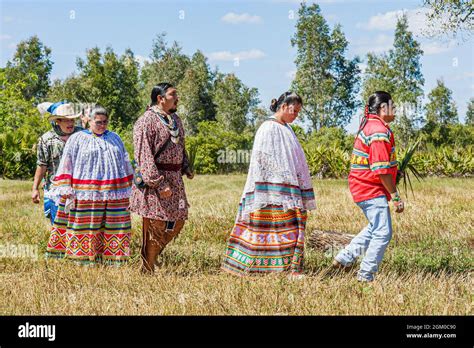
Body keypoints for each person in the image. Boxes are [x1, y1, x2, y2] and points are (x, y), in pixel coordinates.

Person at [221, 92, 316, 277]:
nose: (296, 115)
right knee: (271, 228)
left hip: (287, 189)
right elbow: (262, 160)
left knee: (289, 229)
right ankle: (260, 267)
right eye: (294, 110)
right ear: (283, 106)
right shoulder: (268, 128)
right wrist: (274, 185)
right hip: (272, 190)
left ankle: (288, 268)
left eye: (298, 112)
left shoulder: (287, 129)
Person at [47, 106, 134, 264]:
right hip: (85, 192)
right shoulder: (77, 138)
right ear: (89, 121)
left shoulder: (115, 138)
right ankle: (82, 259)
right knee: (85, 224)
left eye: (105, 122)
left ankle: (113, 259)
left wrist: (131, 185)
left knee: (113, 224)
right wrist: (65, 186)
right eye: (98, 122)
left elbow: (125, 161)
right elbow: (67, 162)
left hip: (114, 193)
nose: (101, 125)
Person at [333, 91, 404, 282]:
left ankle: (344, 258)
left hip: (362, 187)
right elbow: (381, 169)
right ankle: (366, 276)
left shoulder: (372, 126)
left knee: (376, 227)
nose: (396, 110)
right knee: (383, 233)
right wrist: (395, 196)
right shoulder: (378, 131)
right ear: (383, 108)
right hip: (370, 188)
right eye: (393, 106)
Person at [130, 83, 194, 273]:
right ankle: (147, 268)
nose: (177, 98)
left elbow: (180, 146)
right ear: (160, 98)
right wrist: (158, 183)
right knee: (156, 223)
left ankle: (150, 258)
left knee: (178, 220)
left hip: (175, 179)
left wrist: (186, 166)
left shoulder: (175, 120)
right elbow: (144, 155)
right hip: (156, 180)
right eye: (173, 95)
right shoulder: (146, 121)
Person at [33, 102, 82, 225]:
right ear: (57, 121)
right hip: (56, 190)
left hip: (80, 189)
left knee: (79, 229)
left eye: (72, 119)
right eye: (65, 120)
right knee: (58, 227)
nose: (70, 123)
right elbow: (41, 165)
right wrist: (35, 188)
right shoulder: (47, 139)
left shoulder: (82, 135)